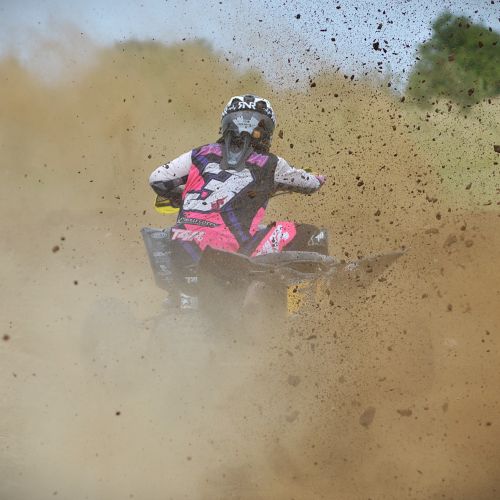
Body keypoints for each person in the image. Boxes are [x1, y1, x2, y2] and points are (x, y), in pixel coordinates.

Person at [149, 94, 326, 307]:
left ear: (225, 125)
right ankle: (305, 310)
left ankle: (180, 298)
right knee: (313, 235)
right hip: (232, 249)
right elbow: (311, 184)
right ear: (267, 131)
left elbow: (157, 178)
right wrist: (318, 177)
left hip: (184, 241)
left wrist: (183, 197)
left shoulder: (200, 154)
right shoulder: (272, 164)